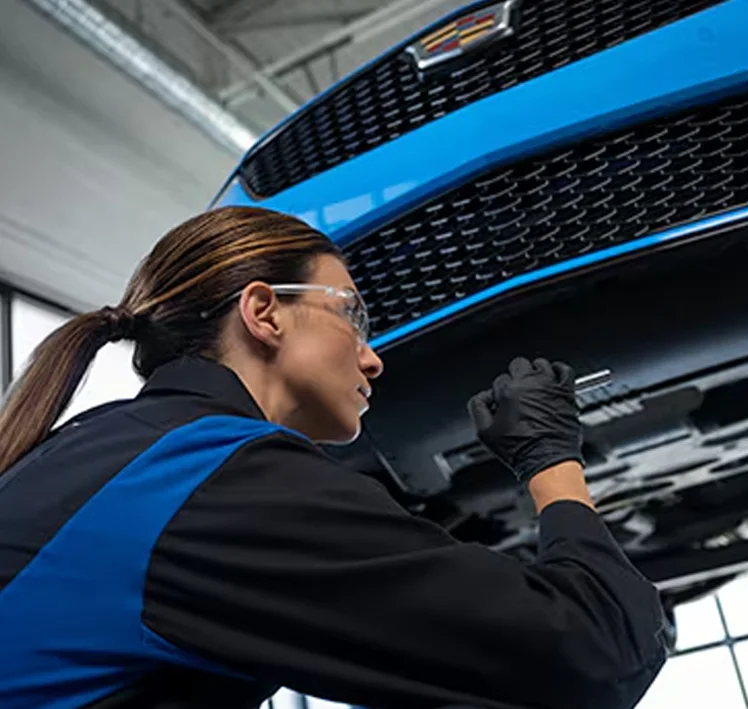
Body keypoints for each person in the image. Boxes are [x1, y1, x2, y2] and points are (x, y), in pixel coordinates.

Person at [0, 206, 666, 709]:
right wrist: (550, 459)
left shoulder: (104, 450)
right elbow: (593, 656)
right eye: (354, 315)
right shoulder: (211, 478)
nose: (372, 356)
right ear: (265, 312)